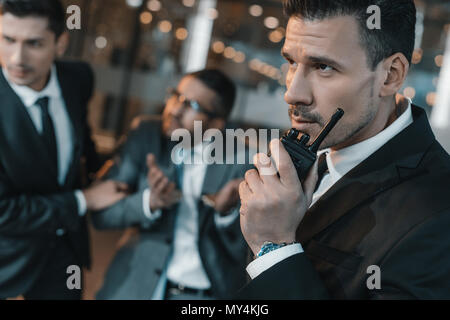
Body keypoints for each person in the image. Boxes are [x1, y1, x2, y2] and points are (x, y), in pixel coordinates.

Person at [238, 0, 450, 299]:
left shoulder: (440, 214)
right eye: (291, 62)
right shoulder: (303, 155)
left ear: (390, 75)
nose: (292, 92)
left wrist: (275, 246)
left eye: (323, 67)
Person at [0, 0, 127, 300]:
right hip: (8, 253)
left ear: (61, 43)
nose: (17, 58)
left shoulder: (77, 78)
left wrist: (100, 171)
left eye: (34, 43)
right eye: (7, 40)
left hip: (64, 251)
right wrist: (85, 199)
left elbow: (80, 135)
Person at [91, 69, 253, 300]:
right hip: (135, 285)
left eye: (192, 105)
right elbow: (101, 215)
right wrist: (149, 202)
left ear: (217, 123)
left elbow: (248, 250)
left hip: (201, 294)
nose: (175, 109)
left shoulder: (240, 160)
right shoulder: (145, 134)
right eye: (176, 96)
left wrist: (224, 214)